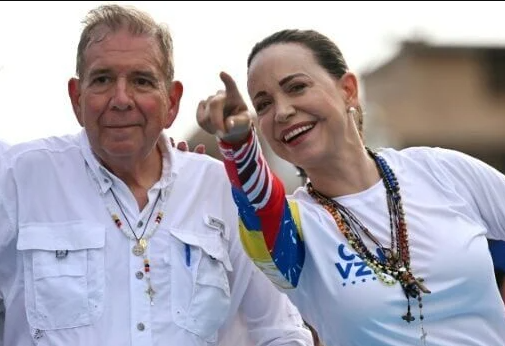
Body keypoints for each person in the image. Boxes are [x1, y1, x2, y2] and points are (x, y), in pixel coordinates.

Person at [0, 7, 314, 346]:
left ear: (172, 102)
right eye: (103, 79)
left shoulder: (221, 190)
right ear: (77, 98)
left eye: (141, 81)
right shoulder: (18, 177)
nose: (121, 99)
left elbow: (280, 331)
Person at [196, 29, 505, 346]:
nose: (283, 111)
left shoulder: (442, 171)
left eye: (297, 87)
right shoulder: (292, 231)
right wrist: (238, 142)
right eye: (263, 105)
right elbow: (259, 202)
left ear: (348, 89)